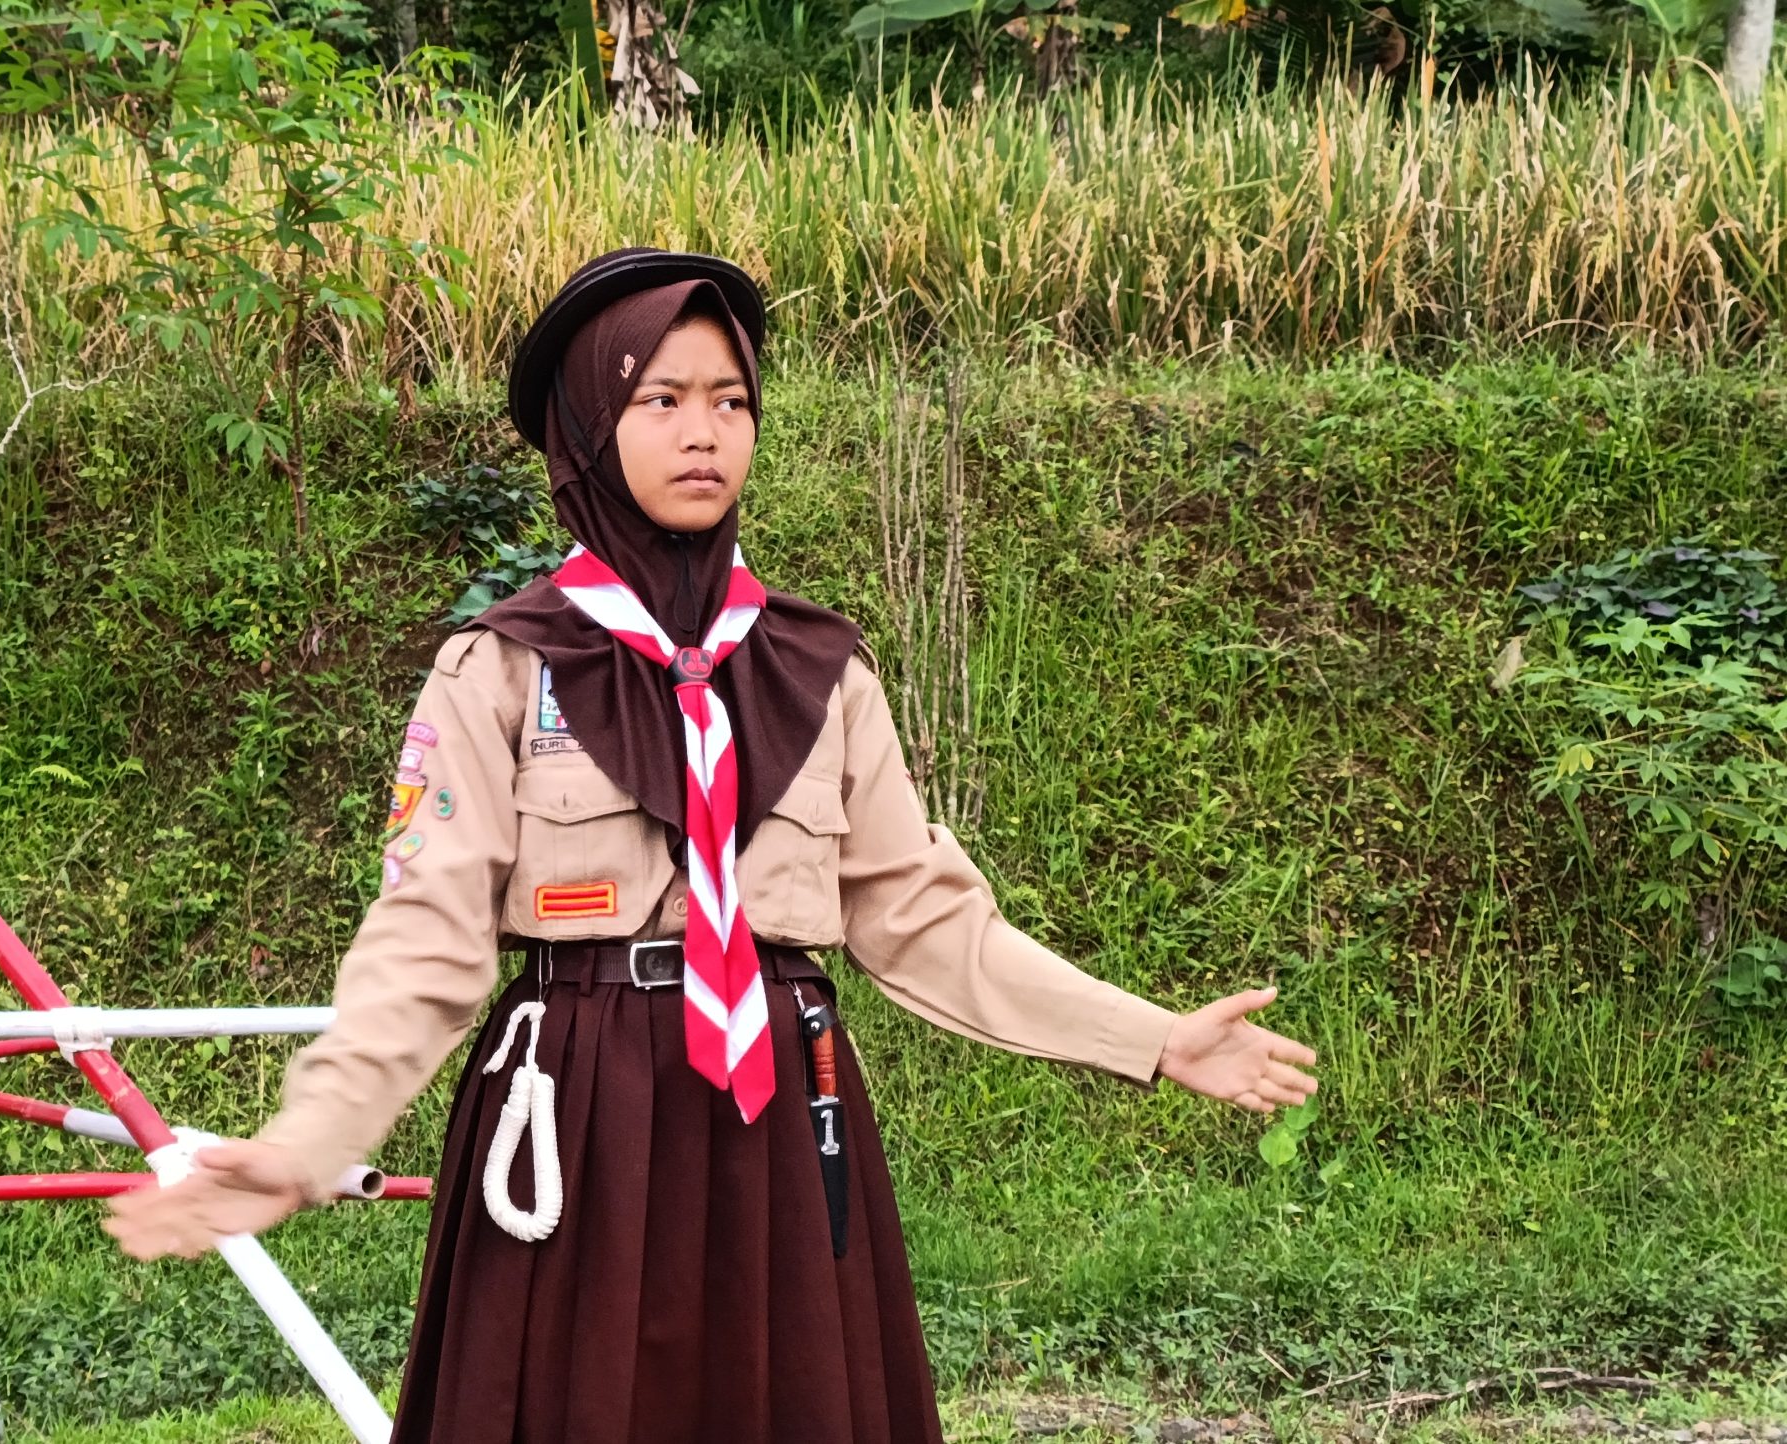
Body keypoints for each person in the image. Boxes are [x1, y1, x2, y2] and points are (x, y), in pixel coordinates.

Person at [104, 249, 1321, 1443]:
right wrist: (309, 1144)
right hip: (582, 1115)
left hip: (781, 1126)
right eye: (662, 400)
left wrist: (1154, 1039)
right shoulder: (504, 666)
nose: (704, 433)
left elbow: (925, 921)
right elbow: (425, 937)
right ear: (589, 428)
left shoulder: (820, 670)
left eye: (731, 401)